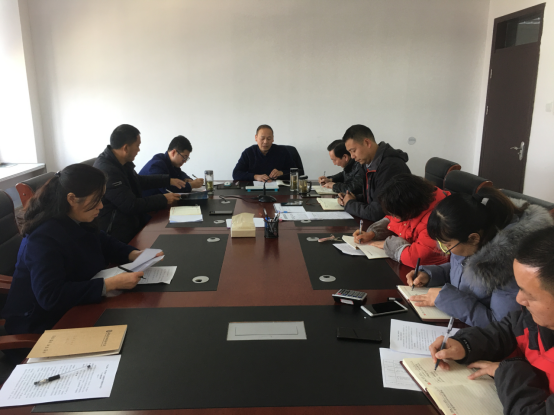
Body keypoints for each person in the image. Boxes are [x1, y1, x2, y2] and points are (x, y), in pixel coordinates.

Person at [1, 164, 161, 362]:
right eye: (96, 200)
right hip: (40, 326)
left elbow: (103, 241)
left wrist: (134, 254)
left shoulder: (74, 218)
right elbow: (51, 296)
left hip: (73, 308)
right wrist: (110, 284)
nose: (101, 206)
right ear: (71, 199)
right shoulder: (43, 238)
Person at [429, 226, 554, 414]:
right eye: (519, 288)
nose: (519, 299)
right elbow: (504, 331)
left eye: (531, 295)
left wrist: (507, 371)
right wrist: (465, 345)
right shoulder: (531, 319)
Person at [408, 187, 554, 328]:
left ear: (473, 238)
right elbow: (461, 268)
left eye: (446, 245)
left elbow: (501, 325)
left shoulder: (509, 265)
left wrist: (447, 299)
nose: (443, 249)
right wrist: (430, 274)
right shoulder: (469, 236)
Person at [94, 124, 187, 243]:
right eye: (137, 145)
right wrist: (163, 199)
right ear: (125, 148)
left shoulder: (121, 162)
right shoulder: (108, 171)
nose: (139, 150)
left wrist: (168, 180)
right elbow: (131, 205)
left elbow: (139, 181)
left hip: (132, 222)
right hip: (117, 233)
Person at [352, 174, 450, 268]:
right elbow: (394, 219)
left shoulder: (438, 219)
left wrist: (389, 245)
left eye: (395, 214)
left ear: (409, 208)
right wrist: (373, 233)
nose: (394, 216)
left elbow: (417, 259)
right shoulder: (414, 203)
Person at [338, 124, 411, 221]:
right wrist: (353, 198)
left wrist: (349, 203)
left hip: (397, 225)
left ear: (367, 143)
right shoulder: (369, 163)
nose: (352, 156)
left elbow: (377, 213)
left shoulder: (390, 166)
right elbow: (373, 198)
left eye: (353, 151)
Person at [139, 135, 204, 197]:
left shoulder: (171, 163)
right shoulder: (156, 165)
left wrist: (186, 179)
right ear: (173, 152)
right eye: (184, 157)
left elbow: (180, 173)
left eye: (187, 158)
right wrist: (191, 185)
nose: (185, 161)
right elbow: (169, 190)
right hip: (146, 203)